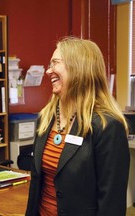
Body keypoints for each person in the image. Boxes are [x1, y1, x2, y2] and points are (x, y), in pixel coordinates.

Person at [25, 37, 130, 216]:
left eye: (55, 63)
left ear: (78, 68)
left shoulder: (107, 126)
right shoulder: (46, 118)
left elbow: (111, 202)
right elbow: (37, 186)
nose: (48, 71)